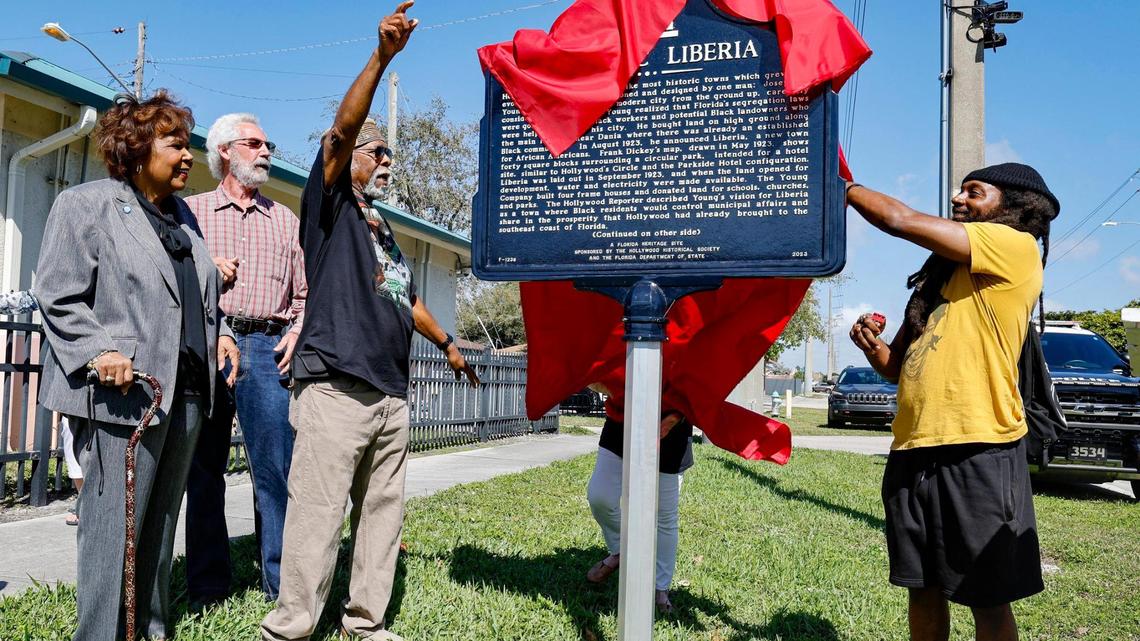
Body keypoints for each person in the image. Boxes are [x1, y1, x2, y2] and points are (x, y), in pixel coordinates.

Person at [260, 4, 478, 640]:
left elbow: (402, 299)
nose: (385, 159)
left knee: (383, 514)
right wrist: (383, 58)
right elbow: (343, 123)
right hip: (336, 386)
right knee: (318, 514)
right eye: (375, 150)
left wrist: (449, 344)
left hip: (389, 393)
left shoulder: (382, 230)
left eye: (386, 152)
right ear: (347, 156)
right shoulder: (328, 206)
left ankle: (365, 622)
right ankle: (292, 626)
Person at [34, 91, 240, 641]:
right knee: (112, 533)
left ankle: (149, 631)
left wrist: (221, 335)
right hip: (125, 398)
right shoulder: (87, 204)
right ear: (135, 146)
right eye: (175, 143)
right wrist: (99, 351)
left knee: (159, 526)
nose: (188, 156)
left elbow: (182, 298)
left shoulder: (184, 216)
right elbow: (57, 293)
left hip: (188, 396)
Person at [845, 163, 1059, 641]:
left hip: (980, 447)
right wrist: (871, 345)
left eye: (975, 192)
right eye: (960, 191)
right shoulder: (935, 280)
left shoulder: (1015, 248)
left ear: (1016, 206)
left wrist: (843, 187)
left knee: (986, 595)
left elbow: (898, 220)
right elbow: (896, 366)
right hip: (912, 448)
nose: (959, 199)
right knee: (921, 588)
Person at [184, 112, 307, 607]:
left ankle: (279, 585)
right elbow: (170, 283)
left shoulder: (285, 219)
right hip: (206, 344)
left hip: (267, 346)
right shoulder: (189, 213)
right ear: (225, 153)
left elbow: (305, 295)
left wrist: (297, 330)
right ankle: (208, 588)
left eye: (268, 142)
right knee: (204, 468)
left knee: (275, 470)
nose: (266, 151)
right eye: (254, 143)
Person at [585, 390, 692, 615]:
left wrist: (673, 419)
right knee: (600, 496)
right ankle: (622, 550)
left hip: (672, 429)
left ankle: (659, 587)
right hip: (622, 420)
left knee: (663, 516)